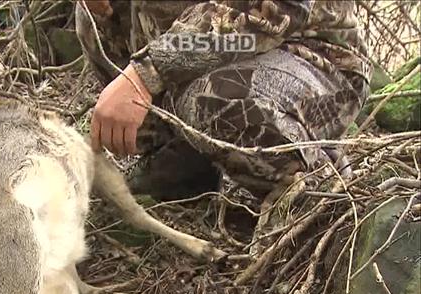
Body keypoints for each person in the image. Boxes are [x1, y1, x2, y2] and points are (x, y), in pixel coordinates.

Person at [79, 0, 370, 202]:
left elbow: (272, 11)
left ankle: (317, 184)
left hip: (314, 57)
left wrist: (146, 73)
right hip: (217, 54)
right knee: (90, 16)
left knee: (212, 100)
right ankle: (185, 152)